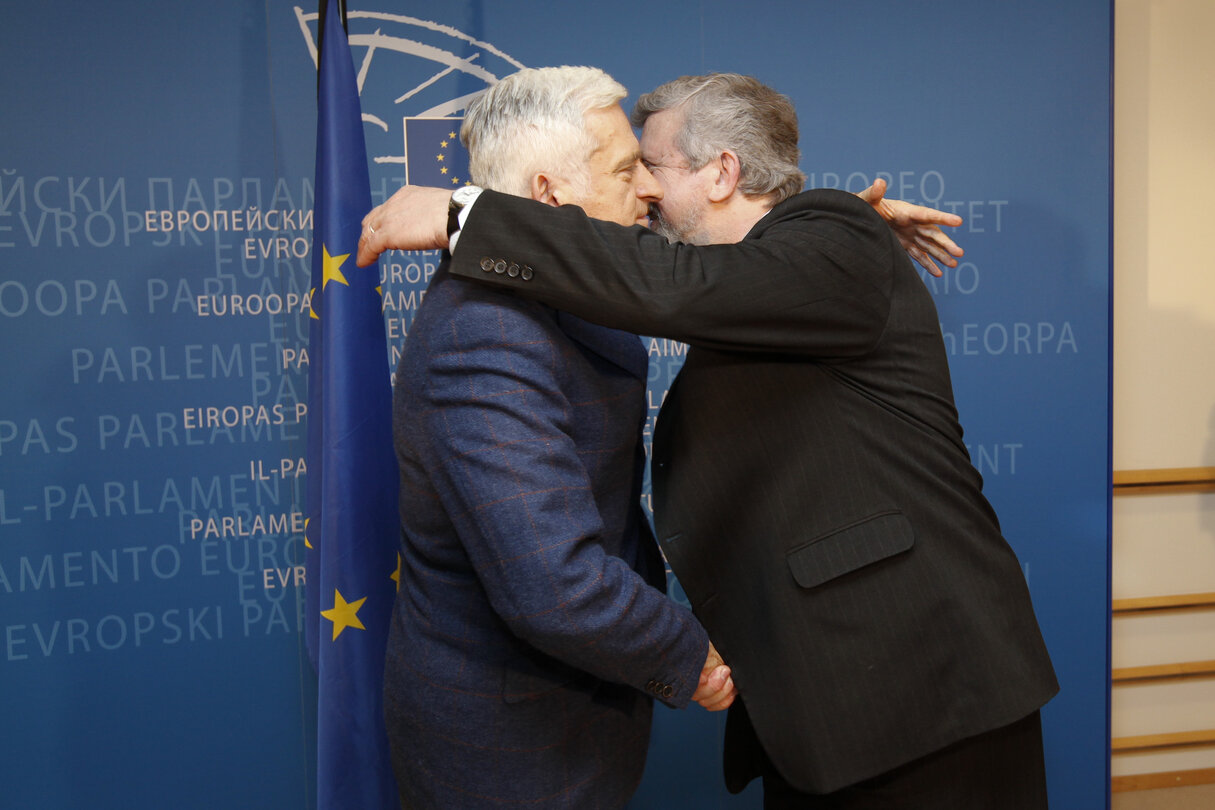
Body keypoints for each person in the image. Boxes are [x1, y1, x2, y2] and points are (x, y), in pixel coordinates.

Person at [360, 72, 1059, 808]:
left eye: (648, 167)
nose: (646, 194)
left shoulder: (833, 242)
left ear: (722, 171)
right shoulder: (778, 269)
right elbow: (714, 283)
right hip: (825, 710)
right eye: (627, 171)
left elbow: (682, 284)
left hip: (923, 696)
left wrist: (466, 215)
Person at [380, 66, 735, 810]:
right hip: (506, 750)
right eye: (622, 169)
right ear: (546, 197)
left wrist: (834, 235)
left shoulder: (563, 299)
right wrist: (692, 658)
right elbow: (555, 585)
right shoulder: (487, 334)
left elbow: (713, 277)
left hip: (575, 717)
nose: (647, 188)